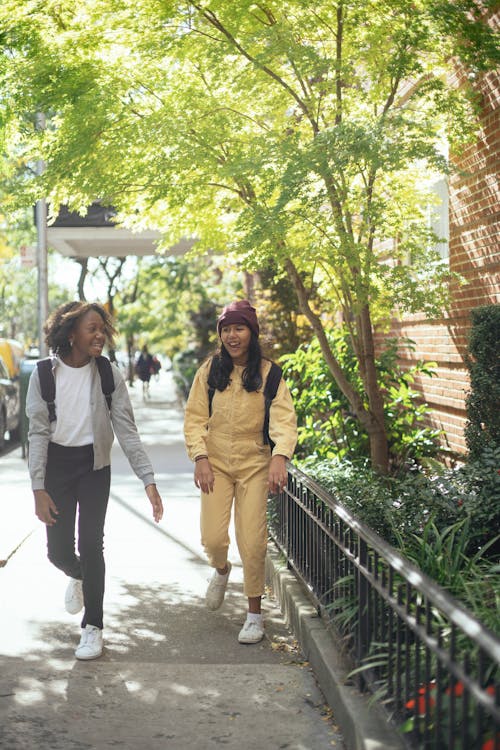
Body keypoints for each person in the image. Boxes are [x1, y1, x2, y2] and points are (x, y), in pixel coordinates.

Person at [26, 302, 164, 661]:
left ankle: (93, 627)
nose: (100, 334)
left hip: (93, 467)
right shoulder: (43, 375)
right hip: (56, 467)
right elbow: (38, 434)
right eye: (92, 328)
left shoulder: (108, 374)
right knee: (57, 552)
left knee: (91, 545)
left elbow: (127, 430)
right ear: (71, 333)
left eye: (102, 328)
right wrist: (38, 488)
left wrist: (148, 480)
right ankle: (80, 576)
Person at [183, 300, 297, 644]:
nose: (232, 335)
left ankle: (254, 615)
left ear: (252, 332)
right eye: (227, 329)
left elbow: (284, 420)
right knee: (213, 540)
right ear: (220, 334)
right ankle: (220, 570)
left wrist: (281, 456)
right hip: (216, 462)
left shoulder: (269, 373)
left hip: (254, 463)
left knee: (252, 541)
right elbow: (194, 418)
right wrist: (200, 457)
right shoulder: (209, 371)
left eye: (239, 328)